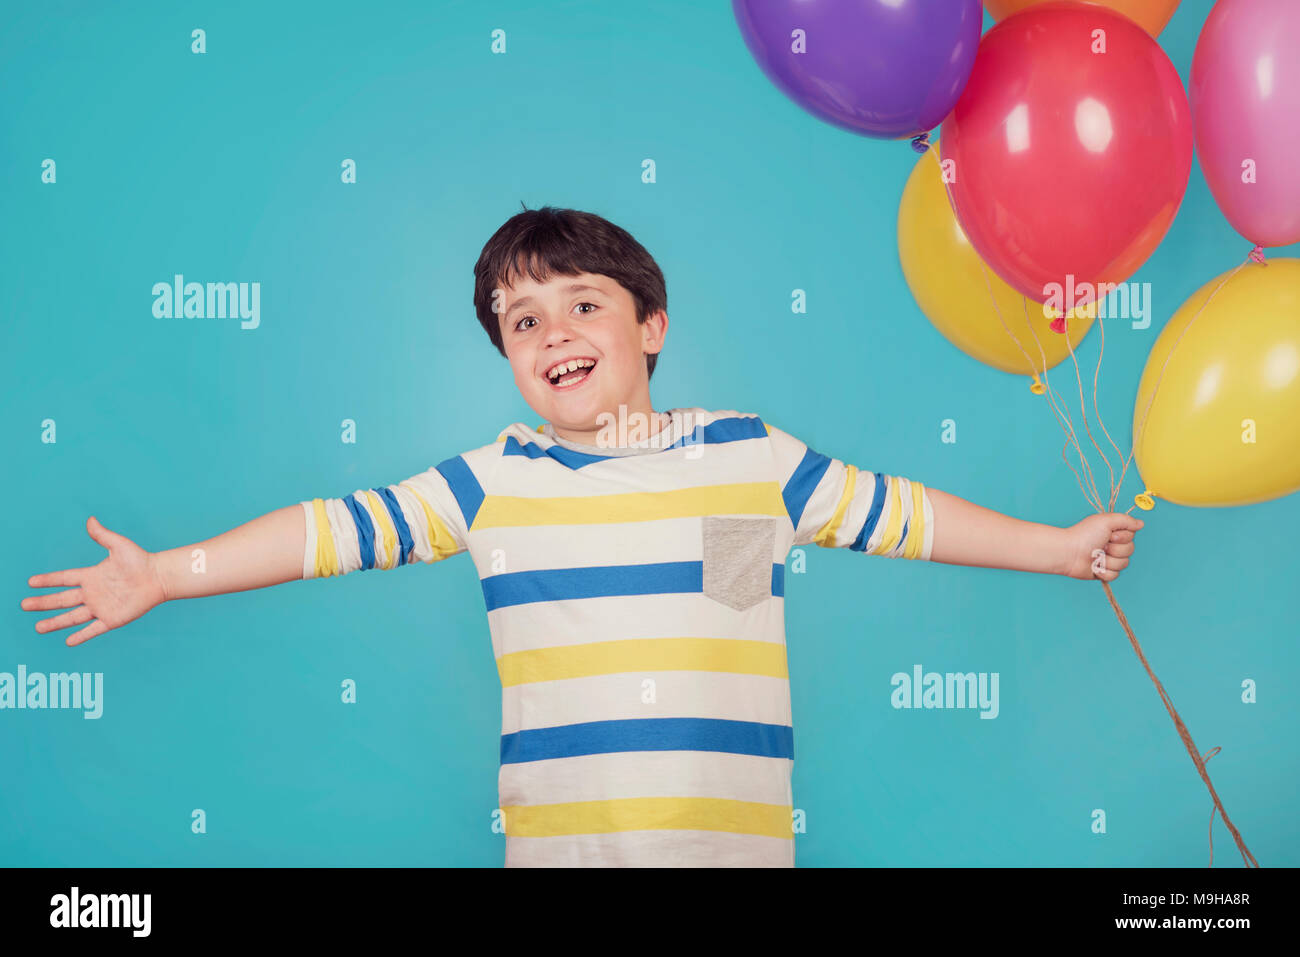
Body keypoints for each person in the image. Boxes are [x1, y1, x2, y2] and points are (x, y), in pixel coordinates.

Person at [21, 206, 1143, 867]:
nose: (553, 331)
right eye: (523, 321)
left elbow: (904, 517)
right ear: (509, 358)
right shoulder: (490, 484)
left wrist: (1056, 546)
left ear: (650, 327)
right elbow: (328, 531)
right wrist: (168, 571)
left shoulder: (747, 457)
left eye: (582, 304)